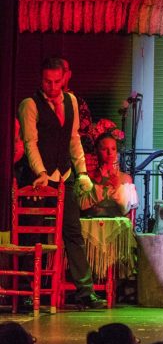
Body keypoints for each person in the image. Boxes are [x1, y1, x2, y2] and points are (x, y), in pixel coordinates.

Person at [16, 56, 104, 308]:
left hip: (64, 176)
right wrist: (41, 173)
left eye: (57, 82)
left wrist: (82, 172)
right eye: (47, 81)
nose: (52, 87)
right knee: (33, 235)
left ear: (64, 78)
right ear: (41, 79)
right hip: (38, 180)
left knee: (73, 232)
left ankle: (85, 292)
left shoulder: (71, 101)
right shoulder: (29, 105)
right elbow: (30, 144)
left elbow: (73, 138)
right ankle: (27, 291)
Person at [80, 133, 138, 218]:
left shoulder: (126, 178)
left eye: (113, 149)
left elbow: (129, 212)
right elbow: (84, 209)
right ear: (96, 151)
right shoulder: (89, 178)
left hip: (118, 225)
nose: (110, 153)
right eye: (104, 149)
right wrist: (102, 184)